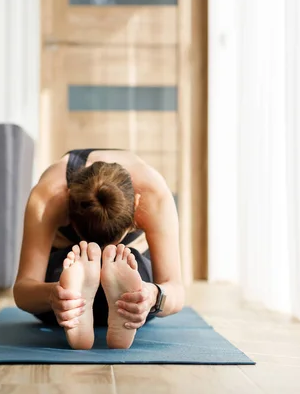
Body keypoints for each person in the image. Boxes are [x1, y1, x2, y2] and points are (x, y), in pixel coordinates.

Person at [13, 148, 185, 350]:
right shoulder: (49, 194)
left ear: (137, 204)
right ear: (67, 206)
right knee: (74, 277)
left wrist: (151, 296)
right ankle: (77, 289)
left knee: (136, 284)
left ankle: (111, 293)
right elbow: (23, 290)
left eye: (109, 246)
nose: (101, 258)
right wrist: (54, 295)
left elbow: (174, 288)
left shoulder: (154, 193)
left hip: (114, 292)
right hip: (69, 298)